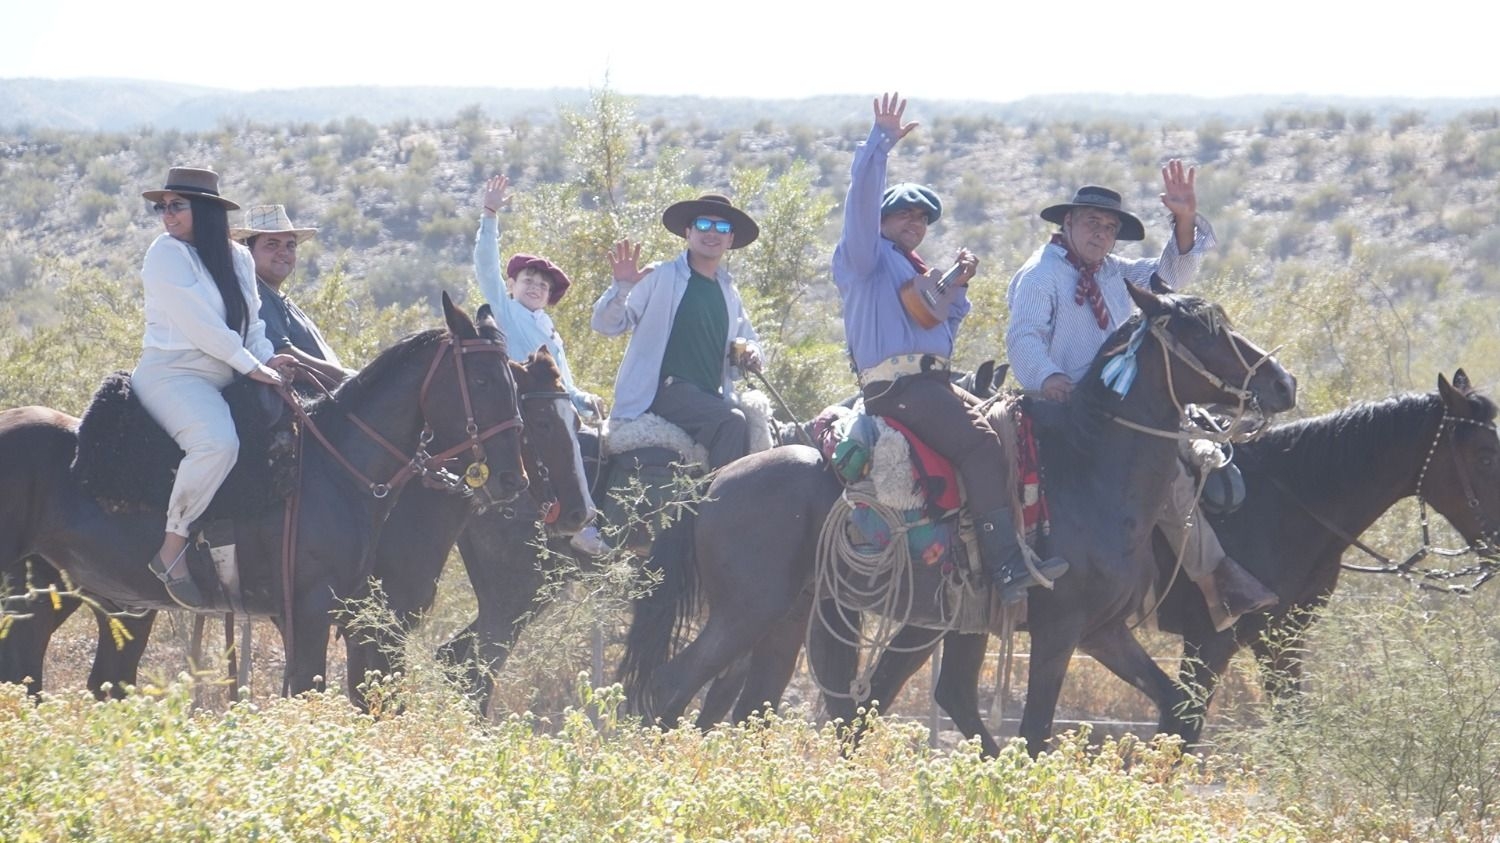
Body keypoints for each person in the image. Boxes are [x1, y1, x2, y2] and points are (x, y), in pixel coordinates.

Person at [1004, 165, 1279, 631]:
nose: (1102, 232)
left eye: (1110, 226)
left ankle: (1191, 583)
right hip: (1059, 411)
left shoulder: (1115, 273)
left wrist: (1185, 221)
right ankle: (1211, 582)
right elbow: (1024, 338)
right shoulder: (1040, 275)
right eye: (1092, 221)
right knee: (1165, 474)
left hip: (1110, 412)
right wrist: (1050, 378)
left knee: (1188, 460)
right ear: (1066, 223)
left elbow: (1171, 278)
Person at [832, 92, 1067, 603]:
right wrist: (880, 144)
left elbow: (945, 329)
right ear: (879, 222)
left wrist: (958, 280)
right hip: (898, 389)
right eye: (903, 216)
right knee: (980, 445)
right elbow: (861, 199)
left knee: (1012, 429)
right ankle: (1004, 567)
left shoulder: (922, 276)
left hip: (931, 384)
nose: (914, 225)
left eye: (921, 220)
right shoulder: (864, 258)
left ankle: (1002, 546)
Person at [134, 167, 295, 609]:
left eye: (175, 206)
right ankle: (172, 549)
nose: (166, 215)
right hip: (174, 373)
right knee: (218, 443)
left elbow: (252, 324)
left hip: (227, 373)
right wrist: (252, 367)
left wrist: (268, 360)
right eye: (161, 207)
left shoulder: (238, 257)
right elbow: (202, 327)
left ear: (204, 210)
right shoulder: (164, 255)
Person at [473, 174, 608, 556]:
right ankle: (581, 521)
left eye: (543, 285)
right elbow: (486, 266)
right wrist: (490, 214)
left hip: (550, 403)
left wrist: (582, 398)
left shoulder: (546, 327)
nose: (535, 287)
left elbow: (562, 381)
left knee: (598, 440)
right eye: (528, 279)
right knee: (572, 443)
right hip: (522, 406)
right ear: (512, 283)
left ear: (550, 297)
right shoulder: (506, 309)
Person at [592, 192, 763, 473]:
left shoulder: (729, 292)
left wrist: (754, 353)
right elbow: (607, 325)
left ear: (730, 239)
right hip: (664, 390)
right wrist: (622, 288)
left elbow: (750, 339)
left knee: (755, 425)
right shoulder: (661, 275)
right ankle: (719, 508)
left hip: (708, 395)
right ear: (688, 232)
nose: (712, 233)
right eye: (703, 225)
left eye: (721, 228)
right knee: (732, 421)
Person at [231, 204, 354, 390]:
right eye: (271, 244)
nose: (284, 252)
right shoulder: (256, 295)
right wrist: (351, 380)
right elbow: (283, 354)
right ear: (247, 250)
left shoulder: (277, 296)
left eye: (290, 245)